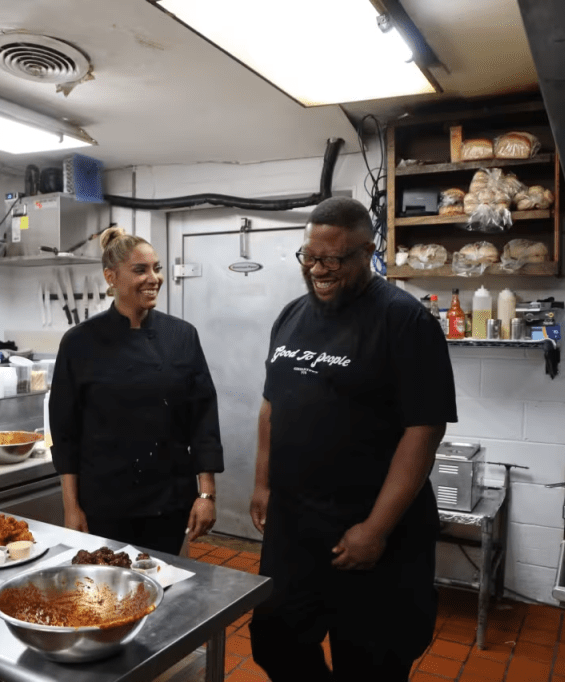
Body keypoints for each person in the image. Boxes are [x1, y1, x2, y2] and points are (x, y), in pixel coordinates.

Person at [248, 197, 457, 681]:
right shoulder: (291, 315)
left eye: (333, 259)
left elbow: (424, 430)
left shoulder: (404, 321)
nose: (318, 270)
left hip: (371, 530)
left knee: (369, 664)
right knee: (274, 640)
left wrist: (376, 529)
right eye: (309, 257)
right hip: (296, 530)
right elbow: (271, 406)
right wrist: (262, 482)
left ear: (367, 253)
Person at [49, 227, 224, 555]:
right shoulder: (79, 342)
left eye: (157, 268)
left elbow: (203, 418)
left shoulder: (181, 335)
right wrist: (71, 507)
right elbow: (64, 433)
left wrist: (206, 493)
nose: (153, 278)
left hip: (169, 500)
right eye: (140, 270)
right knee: (105, 583)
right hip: (105, 502)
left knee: (165, 579)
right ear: (111, 277)